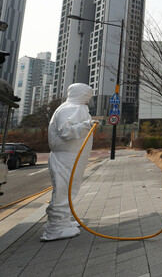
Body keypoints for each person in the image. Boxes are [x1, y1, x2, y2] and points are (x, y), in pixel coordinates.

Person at [41, 83, 95, 241]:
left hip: (71, 156)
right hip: (66, 157)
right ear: (81, 94)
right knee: (64, 190)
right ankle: (55, 229)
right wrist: (87, 125)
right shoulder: (71, 108)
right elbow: (65, 131)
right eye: (87, 95)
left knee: (68, 189)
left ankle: (63, 221)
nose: (89, 98)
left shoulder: (75, 107)